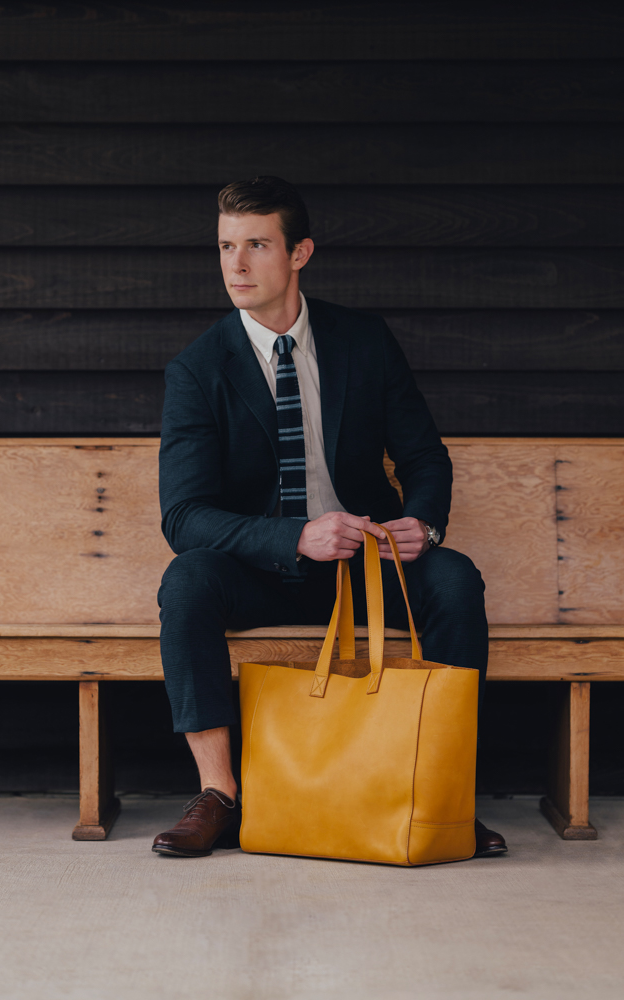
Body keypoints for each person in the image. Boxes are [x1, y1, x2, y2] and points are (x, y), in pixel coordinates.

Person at [152, 176, 506, 860]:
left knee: (456, 579)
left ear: (299, 253)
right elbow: (186, 515)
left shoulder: (362, 342)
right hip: (262, 568)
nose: (236, 264)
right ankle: (219, 794)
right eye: (226, 246)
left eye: (256, 244)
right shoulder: (197, 370)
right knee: (186, 580)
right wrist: (294, 537)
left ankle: (444, 793)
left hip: (369, 565)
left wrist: (424, 524)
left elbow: (423, 457)